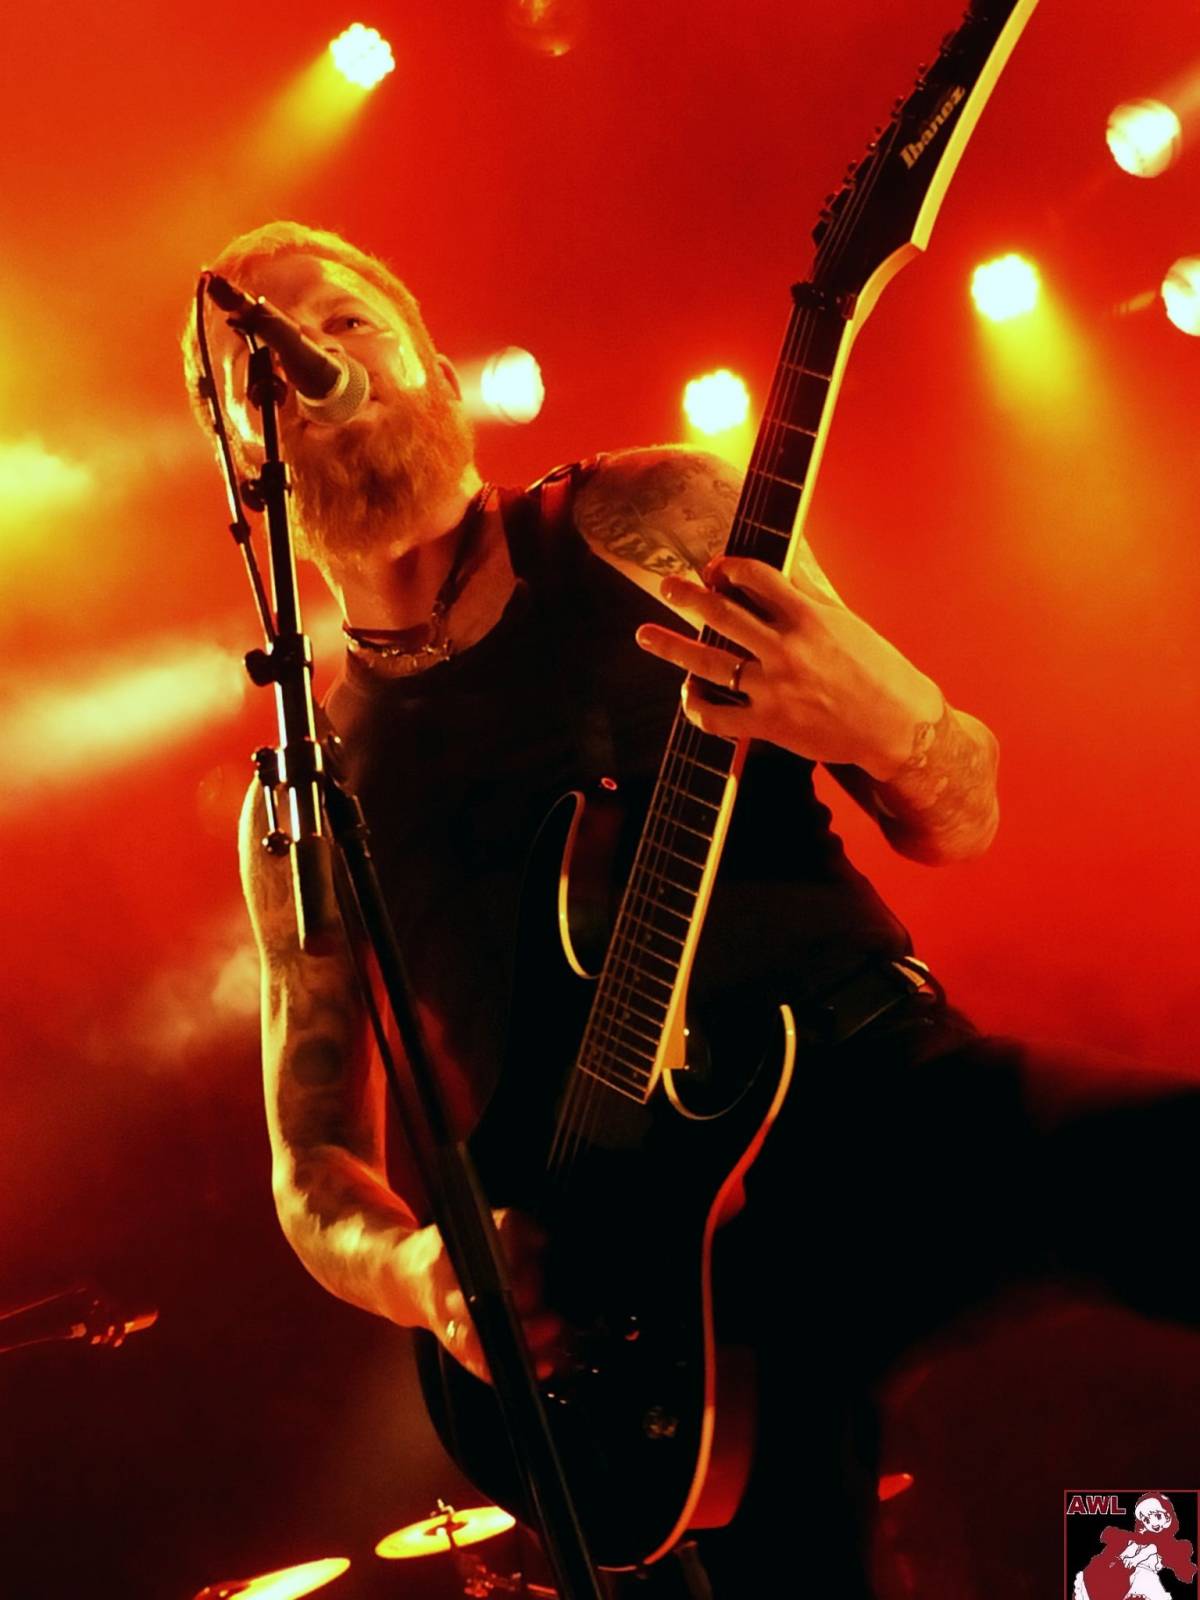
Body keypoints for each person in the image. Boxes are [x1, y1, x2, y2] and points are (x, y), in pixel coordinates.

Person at [184, 220, 1200, 1598]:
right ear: (238, 457)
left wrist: (893, 725)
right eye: (263, 366)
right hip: (635, 1299)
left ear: (437, 368)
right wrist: (429, 1272)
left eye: (345, 323)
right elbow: (311, 1165)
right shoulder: (307, 796)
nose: (311, 361)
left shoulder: (641, 517)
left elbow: (961, 812)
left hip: (873, 1100)